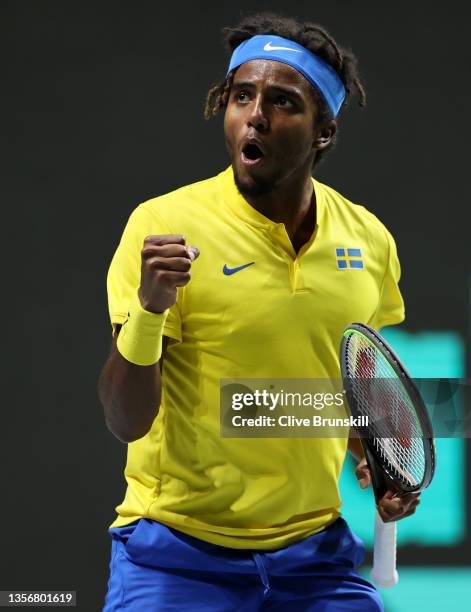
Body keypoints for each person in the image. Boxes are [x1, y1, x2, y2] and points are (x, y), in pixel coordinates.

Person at [98, 12, 420, 611]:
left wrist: (377, 458)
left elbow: (352, 380)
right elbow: (126, 421)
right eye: (241, 96)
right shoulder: (163, 226)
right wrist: (149, 309)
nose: (256, 116)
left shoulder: (369, 241)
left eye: (282, 102)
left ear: (322, 131)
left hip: (314, 559)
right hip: (176, 556)